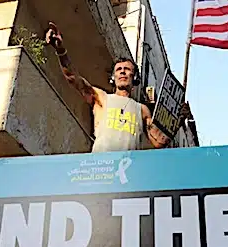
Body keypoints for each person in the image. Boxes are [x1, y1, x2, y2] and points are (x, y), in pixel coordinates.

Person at [45, 22, 186, 153]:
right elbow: (73, 78)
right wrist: (61, 50)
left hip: (126, 170)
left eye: (127, 69)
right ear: (113, 77)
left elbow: (159, 142)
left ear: (135, 77)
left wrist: (178, 120)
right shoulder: (101, 97)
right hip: (100, 167)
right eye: (119, 69)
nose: (123, 72)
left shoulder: (142, 110)